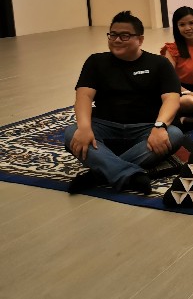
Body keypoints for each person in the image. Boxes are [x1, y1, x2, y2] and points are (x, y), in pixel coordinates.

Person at [64, 11, 183, 194]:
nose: (117, 40)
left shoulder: (159, 64)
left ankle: (99, 174)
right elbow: (83, 97)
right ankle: (129, 174)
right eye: (113, 35)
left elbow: (172, 99)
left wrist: (159, 126)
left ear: (140, 39)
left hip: (145, 129)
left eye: (125, 35)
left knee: (174, 134)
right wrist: (84, 127)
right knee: (72, 132)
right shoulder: (95, 62)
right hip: (105, 126)